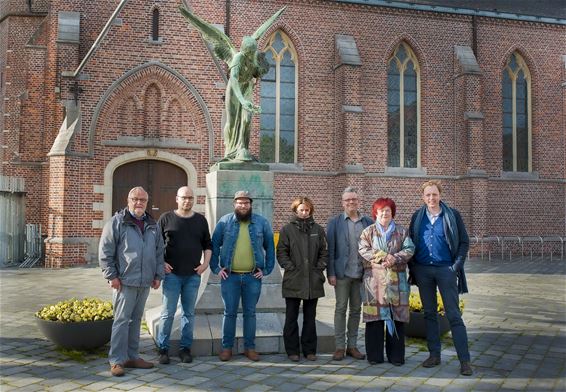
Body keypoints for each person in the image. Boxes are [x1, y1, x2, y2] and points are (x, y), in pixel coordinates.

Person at [179, 6, 285, 161]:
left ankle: (243, 149)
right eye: (249, 53)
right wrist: (242, 100)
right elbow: (234, 79)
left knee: (247, 119)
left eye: (252, 53)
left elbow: (256, 72)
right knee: (232, 121)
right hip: (234, 90)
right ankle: (230, 152)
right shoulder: (238, 58)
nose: (250, 56)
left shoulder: (253, 56)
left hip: (246, 87)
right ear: (244, 51)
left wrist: (257, 75)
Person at [408, 180, 473, 376]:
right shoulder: (417, 217)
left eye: (434, 194)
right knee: (429, 313)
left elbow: (464, 242)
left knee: (453, 315)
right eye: (428, 195)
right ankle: (434, 355)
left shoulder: (452, 215)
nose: (431, 198)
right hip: (424, 271)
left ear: (440, 195)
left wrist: (455, 267)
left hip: (446, 270)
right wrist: (414, 268)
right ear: (423, 197)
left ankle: (465, 360)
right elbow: (410, 242)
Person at [99, 186, 164, 377]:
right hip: (124, 281)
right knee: (121, 321)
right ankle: (117, 360)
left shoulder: (153, 224)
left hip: (144, 282)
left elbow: (159, 252)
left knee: (136, 320)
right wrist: (111, 276)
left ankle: (132, 356)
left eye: (142, 200)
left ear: (147, 202)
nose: (139, 203)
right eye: (135, 199)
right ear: (128, 200)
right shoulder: (118, 222)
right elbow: (106, 251)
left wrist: (158, 275)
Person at [210, 190, 275, 361]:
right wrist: (216, 269)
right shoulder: (225, 222)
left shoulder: (261, 222)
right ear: (234, 204)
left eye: (246, 203)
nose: (243, 205)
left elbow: (270, 247)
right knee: (229, 312)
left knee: (250, 313)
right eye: (239, 202)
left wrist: (266, 270)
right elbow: (214, 246)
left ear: (251, 204)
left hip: (252, 277)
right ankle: (226, 348)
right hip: (230, 277)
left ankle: (250, 348)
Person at [156, 186, 212, 365]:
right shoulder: (166, 218)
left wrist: (205, 264)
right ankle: (163, 349)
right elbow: (155, 244)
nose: (187, 201)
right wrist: (161, 263)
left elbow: (208, 244)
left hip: (193, 276)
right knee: (168, 313)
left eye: (190, 198)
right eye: (184, 197)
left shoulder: (200, 220)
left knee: (189, 314)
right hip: (172, 275)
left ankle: (185, 349)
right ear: (177, 199)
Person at [358, 198, 414, 366]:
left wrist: (395, 258)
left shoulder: (402, 231)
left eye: (388, 210)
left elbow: (410, 248)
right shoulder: (368, 232)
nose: (384, 213)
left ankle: (396, 356)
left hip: (397, 282)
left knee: (396, 317)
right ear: (376, 212)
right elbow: (363, 249)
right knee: (374, 319)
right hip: (374, 282)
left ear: (392, 212)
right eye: (381, 210)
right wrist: (383, 257)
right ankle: (374, 356)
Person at [277, 197, 328, 362]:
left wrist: (319, 268)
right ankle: (292, 350)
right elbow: (282, 252)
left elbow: (324, 251)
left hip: (313, 280)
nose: (305, 213)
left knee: (310, 317)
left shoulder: (318, 230)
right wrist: (290, 267)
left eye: (307, 210)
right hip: (294, 279)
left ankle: (309, 350)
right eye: (301, 210)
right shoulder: (287, 230)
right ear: (295, 211)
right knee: (291, 316)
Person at [326, 186, 373, 361]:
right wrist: (330, 273)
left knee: (355, 310)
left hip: (361, 274)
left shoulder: (367, 222)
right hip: (341, 274)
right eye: (347, 200)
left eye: (353, 199)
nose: (351, 202)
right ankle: (339, 347)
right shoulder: (335, 222)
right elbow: (330, 249)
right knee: (340, 308)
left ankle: (352, 346)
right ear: (342, 202)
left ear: (358, 201)